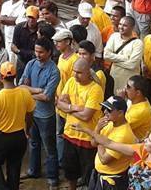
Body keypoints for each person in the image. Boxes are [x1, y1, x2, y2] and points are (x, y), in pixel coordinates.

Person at [0, 61, 34, 190]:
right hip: (19, 136)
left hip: (2, 137)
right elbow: (30, 115)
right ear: (15, 76)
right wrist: (27, 131)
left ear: (1, 77)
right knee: (14, 166)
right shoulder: (25, 93)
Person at [57, 57, 105, 190]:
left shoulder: (95, 89)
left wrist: (68, 108)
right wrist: (76, 107)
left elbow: (86, 116)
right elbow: (59, 103)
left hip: (87, 139)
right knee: (70, 172)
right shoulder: (71, 81)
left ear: (88, 73)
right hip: (69, 135)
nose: (75, 75)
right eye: (74, 71)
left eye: (79, 72)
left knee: (88, 175)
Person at [20, 36, 60, 189]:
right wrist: (36, 90)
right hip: (31, 111)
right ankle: (33, 170)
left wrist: (29, 91)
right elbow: (22, 85)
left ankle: (52, 177)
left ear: (49, 52)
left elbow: (47, 96)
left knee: (49, 147)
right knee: (33, 142)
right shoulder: (31, 64)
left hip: (45, 115)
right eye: (36, 51)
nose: (37, 55)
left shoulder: (54, 71)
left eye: (41, 52)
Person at [89, 96, 137, 190]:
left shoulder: (123, 134)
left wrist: (99, 139)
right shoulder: (109, 123)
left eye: (109, 110)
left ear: (120, 113)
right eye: (105, 108)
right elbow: (93, 143)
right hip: (99, 175)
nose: (105, 112)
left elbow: (104, 159)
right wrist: (97, 129)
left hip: (112, 181)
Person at [104, 15, 143, 93]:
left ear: (132, 27)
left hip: (129, 81)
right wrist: (124, 58)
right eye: (120, 24)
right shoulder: (114, 37)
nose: (121, 27)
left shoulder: (138, 43)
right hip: (114, 77)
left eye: (125, 25)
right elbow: (106, 56)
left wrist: (114, 61)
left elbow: (132, 65)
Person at [125, 75, 151, 141]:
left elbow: (119, 125)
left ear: (138, 93)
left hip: (133, 146)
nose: (125, 88)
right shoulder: (135, 100)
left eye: (128, 87)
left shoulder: (141, 110)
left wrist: (120, 100)